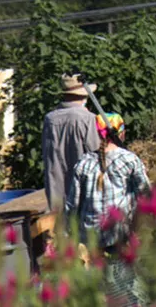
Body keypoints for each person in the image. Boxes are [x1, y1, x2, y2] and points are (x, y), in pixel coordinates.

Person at [64, 112, 150, 306]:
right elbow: (146, 194)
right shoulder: (129, 160)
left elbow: (72, 205)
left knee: (98, 288)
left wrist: (67, 235)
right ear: (121, 133)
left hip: (90, 238)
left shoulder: (84, 163)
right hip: (118, 235)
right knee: (124, 285)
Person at [42, 74, 102, 211]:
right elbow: (95, 151)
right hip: (83, 191)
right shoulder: (88, 118)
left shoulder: (49, 119)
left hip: (57, 190)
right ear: (83, 95)